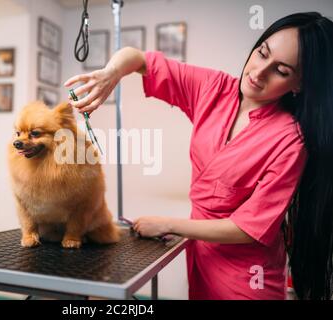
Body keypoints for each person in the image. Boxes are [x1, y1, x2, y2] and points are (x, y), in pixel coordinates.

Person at [64, 12, 333, 300]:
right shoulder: (214, 88)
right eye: (262, 53)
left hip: (248, 275)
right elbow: (138, 58)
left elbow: (249, 228)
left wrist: (169, 224)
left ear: (299, 85)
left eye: (281, 70)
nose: (258, 72)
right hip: (201, 260)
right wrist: (111, 74)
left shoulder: (290, 139)